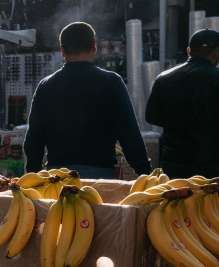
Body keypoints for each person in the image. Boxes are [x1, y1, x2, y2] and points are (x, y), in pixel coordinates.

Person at [23, 21, 151, 179]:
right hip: (100, 174)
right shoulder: (111, 82)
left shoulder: (45, 86)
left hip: (57, 177)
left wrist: (33, 176)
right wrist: (145, 172)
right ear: (94, 45)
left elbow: (33, 140)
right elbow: (129, 134)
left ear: (62, 50)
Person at [146, 28, 219, 213]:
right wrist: (217, 127)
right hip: (210, 162)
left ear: (188, 51)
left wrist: (178, 123)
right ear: (217, 51)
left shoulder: (163, 78)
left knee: (176, 217)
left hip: (173, 163)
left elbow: (151, 116)